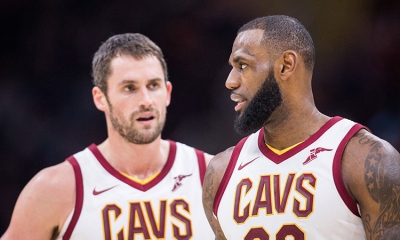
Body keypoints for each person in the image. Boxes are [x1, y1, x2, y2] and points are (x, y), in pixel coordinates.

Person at [202, 15, 400, 240]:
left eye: (243, 65)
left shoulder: (365, 160)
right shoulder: (219, 173)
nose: (230, 81)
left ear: (286, 66)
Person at [2, 33, 214, 240]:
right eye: (130, 88)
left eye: (153, 86)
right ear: (100, 98)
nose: (146, 100)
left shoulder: (212, 176)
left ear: (167, 93)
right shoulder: (54, 189)